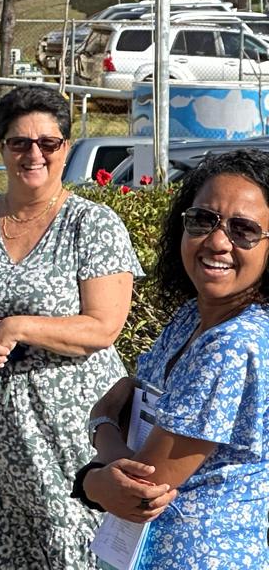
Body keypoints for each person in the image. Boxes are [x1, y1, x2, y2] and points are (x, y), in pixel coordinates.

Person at [0, 83, 142, 569]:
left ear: (65, 148)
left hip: (68, 431)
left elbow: (103, 327)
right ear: (1, 147)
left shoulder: (92, 225)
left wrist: (18, 326)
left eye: (48, 143)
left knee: (72, 549)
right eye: (19, 142)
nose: (33, 153)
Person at [77, 149, 269, 568]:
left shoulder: (234, 342)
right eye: (203, 220)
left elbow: (143, 484)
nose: (218, 241)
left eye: (244, 230)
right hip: (146, 551)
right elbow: (142, 407)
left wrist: (99, 429)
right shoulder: (192, 317)